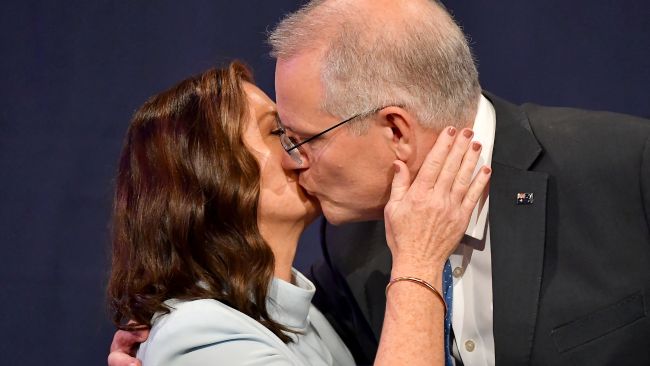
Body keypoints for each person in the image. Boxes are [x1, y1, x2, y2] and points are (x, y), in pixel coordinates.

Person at [266, 0, 650, 365]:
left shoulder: (629, 169)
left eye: (303, 139)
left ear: (397, 131)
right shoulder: (349, 247)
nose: (289, 158)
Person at [107, 61, 491, 366]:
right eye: (278, 133)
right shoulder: (198, 335)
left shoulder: (311, 315)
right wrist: (419, 261)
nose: (302, 151)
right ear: (210, 174)